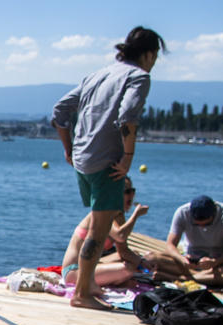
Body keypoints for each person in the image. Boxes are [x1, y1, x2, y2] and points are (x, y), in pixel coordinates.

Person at [52, 26, 165, 309]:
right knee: (99, 231)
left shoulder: (97, 74)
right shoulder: (139, 76)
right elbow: (128, 115)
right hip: (108, 161)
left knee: (97, 222)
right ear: (149, 54)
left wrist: (68, 148)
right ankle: (82, 295)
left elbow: (60, 111)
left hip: (82, 159)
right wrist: (128, 157)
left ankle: (87, 283)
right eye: (156, 56)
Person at [60, 178, 155, 287]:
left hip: (89, 266)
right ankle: (118, 282)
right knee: (127, 269)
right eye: (126, 192)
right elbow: (120, 236)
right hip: (73, 272)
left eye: (132, 191)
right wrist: (135, 215)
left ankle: (119, 281)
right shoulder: (104, 212)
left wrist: (143, 263)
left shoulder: (119, 216)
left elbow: (123, 251)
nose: (131, 195)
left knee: (135, 256)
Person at [165, 195, 223, 288]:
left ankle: (184, 278)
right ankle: (200, 277)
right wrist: (182, 259)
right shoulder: (182, 212)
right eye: (196, 224)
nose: (202, 227)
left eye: (207, 224)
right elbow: (170, 245)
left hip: (217, 264)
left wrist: (214, 262)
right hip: (190, 262)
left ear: (214, 214)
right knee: (151, 258)